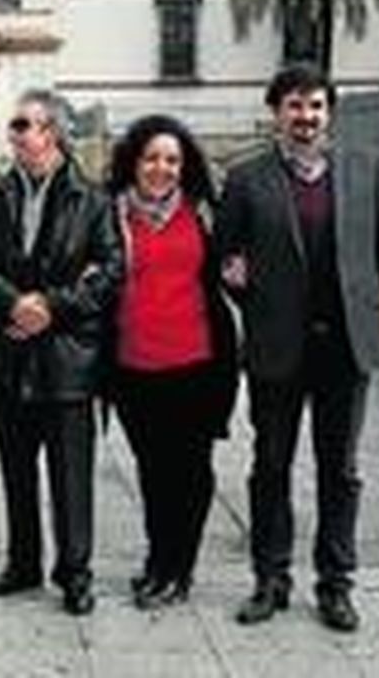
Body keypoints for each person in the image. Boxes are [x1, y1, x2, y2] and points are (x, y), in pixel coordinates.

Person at [218, 65, 379, 633]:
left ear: (330, 112)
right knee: (270, 466)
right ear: (277, 113)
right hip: (277, 346)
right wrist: (252, 295)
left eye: (316, 106)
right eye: (295, 106)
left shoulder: (367, 171)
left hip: (346, 348)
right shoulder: (246, 179)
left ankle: (336, 584)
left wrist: (352, 301)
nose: (306, 117)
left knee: (339, 469)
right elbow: (228, 261)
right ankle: (270, 579)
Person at [0, 89, 123, 616]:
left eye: (23, 124)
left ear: (53, 132)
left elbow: (110, 271)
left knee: (70, 474)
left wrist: (52, 305)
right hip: (8, 354)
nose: (15, 134)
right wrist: (16, 303)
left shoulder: (94, 199)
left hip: (67, 359)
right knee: (16, 469)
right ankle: (22, 563)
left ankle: (75, 572)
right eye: (13, 126)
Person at [103, 115, 239, 610]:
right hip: (133, 365)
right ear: (134, 162)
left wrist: (240, 273)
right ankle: (158, 560)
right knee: (152, 469)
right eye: (152, 158)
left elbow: (237, 268)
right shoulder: (111, 213)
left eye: (172, 160)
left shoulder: (205, 212)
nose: (161, 168)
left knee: (191, 470)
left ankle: (179, 570)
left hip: (198, 364)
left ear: (185, 166)